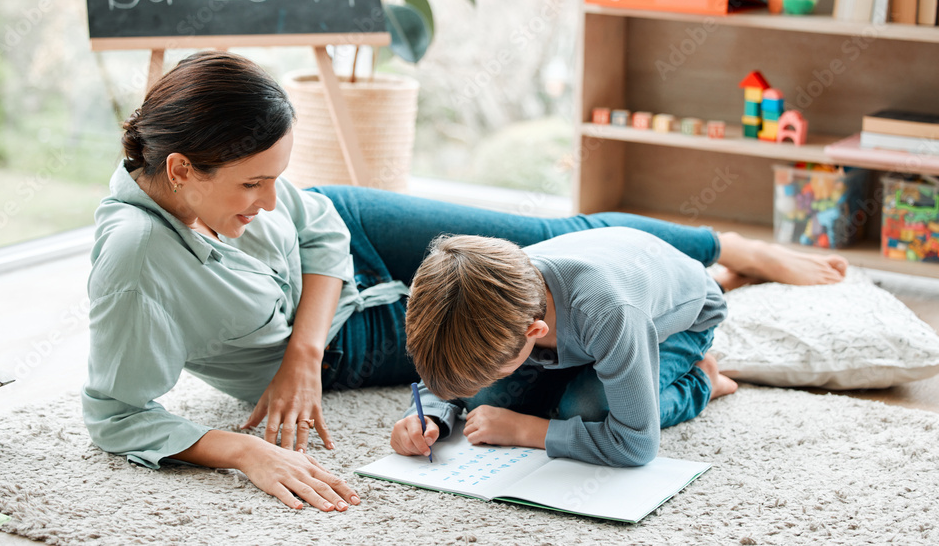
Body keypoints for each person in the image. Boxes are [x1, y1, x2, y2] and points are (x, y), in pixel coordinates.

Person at [83, 50, 848, 512]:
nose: (273, 201)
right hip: (366, 338)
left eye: (278, 176)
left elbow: (319, 227)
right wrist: (244, 450)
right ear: (181, 171)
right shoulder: (136, 262)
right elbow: (117, 414)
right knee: (505, 381)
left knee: (556, 239)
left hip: (355, 251)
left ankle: (729, 246)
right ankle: (693, 312)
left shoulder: (257, 196)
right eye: (254, 185)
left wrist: (300, 355)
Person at [390, 230, 738, 467]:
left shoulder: (610, 314)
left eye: (495, 369)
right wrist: (428, 413)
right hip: (590, 317)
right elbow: (448, 364)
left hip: (679, 321)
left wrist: (526, 431)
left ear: (535, 332)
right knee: (485, 402)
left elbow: (636, 445)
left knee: (586, 411)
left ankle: (703, 380)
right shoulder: (499, 296)